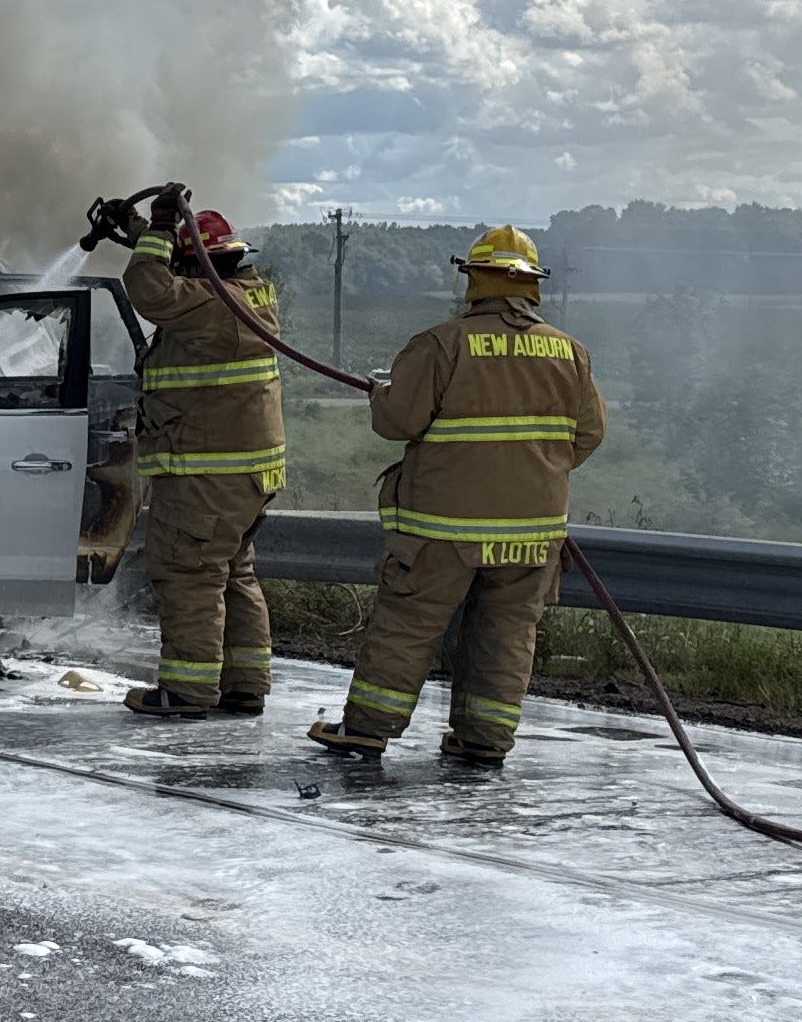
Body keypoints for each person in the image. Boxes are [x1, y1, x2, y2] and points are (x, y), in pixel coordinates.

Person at [309, 225, 605, 766]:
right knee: (507, 633)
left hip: (443, 530)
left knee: (409, 622)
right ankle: (484, 740)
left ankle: (368, 729)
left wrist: (382, 395)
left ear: (474, 281)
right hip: (531, 534)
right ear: (532, 285)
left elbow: (398, 422)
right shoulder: (570, 353)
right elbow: (587, 435)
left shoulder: (443, 344)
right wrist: (529, 475)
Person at [121, 189, 284, 718]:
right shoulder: (250, 296)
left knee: (189, 575)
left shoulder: (209, 305)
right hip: (248, 475)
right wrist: (138, 227)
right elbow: (172, 277)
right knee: (233, 574)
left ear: (197, 266)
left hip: (205, 474)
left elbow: (149, 287)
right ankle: (245, 686)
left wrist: (158, 230)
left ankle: (187, 692)